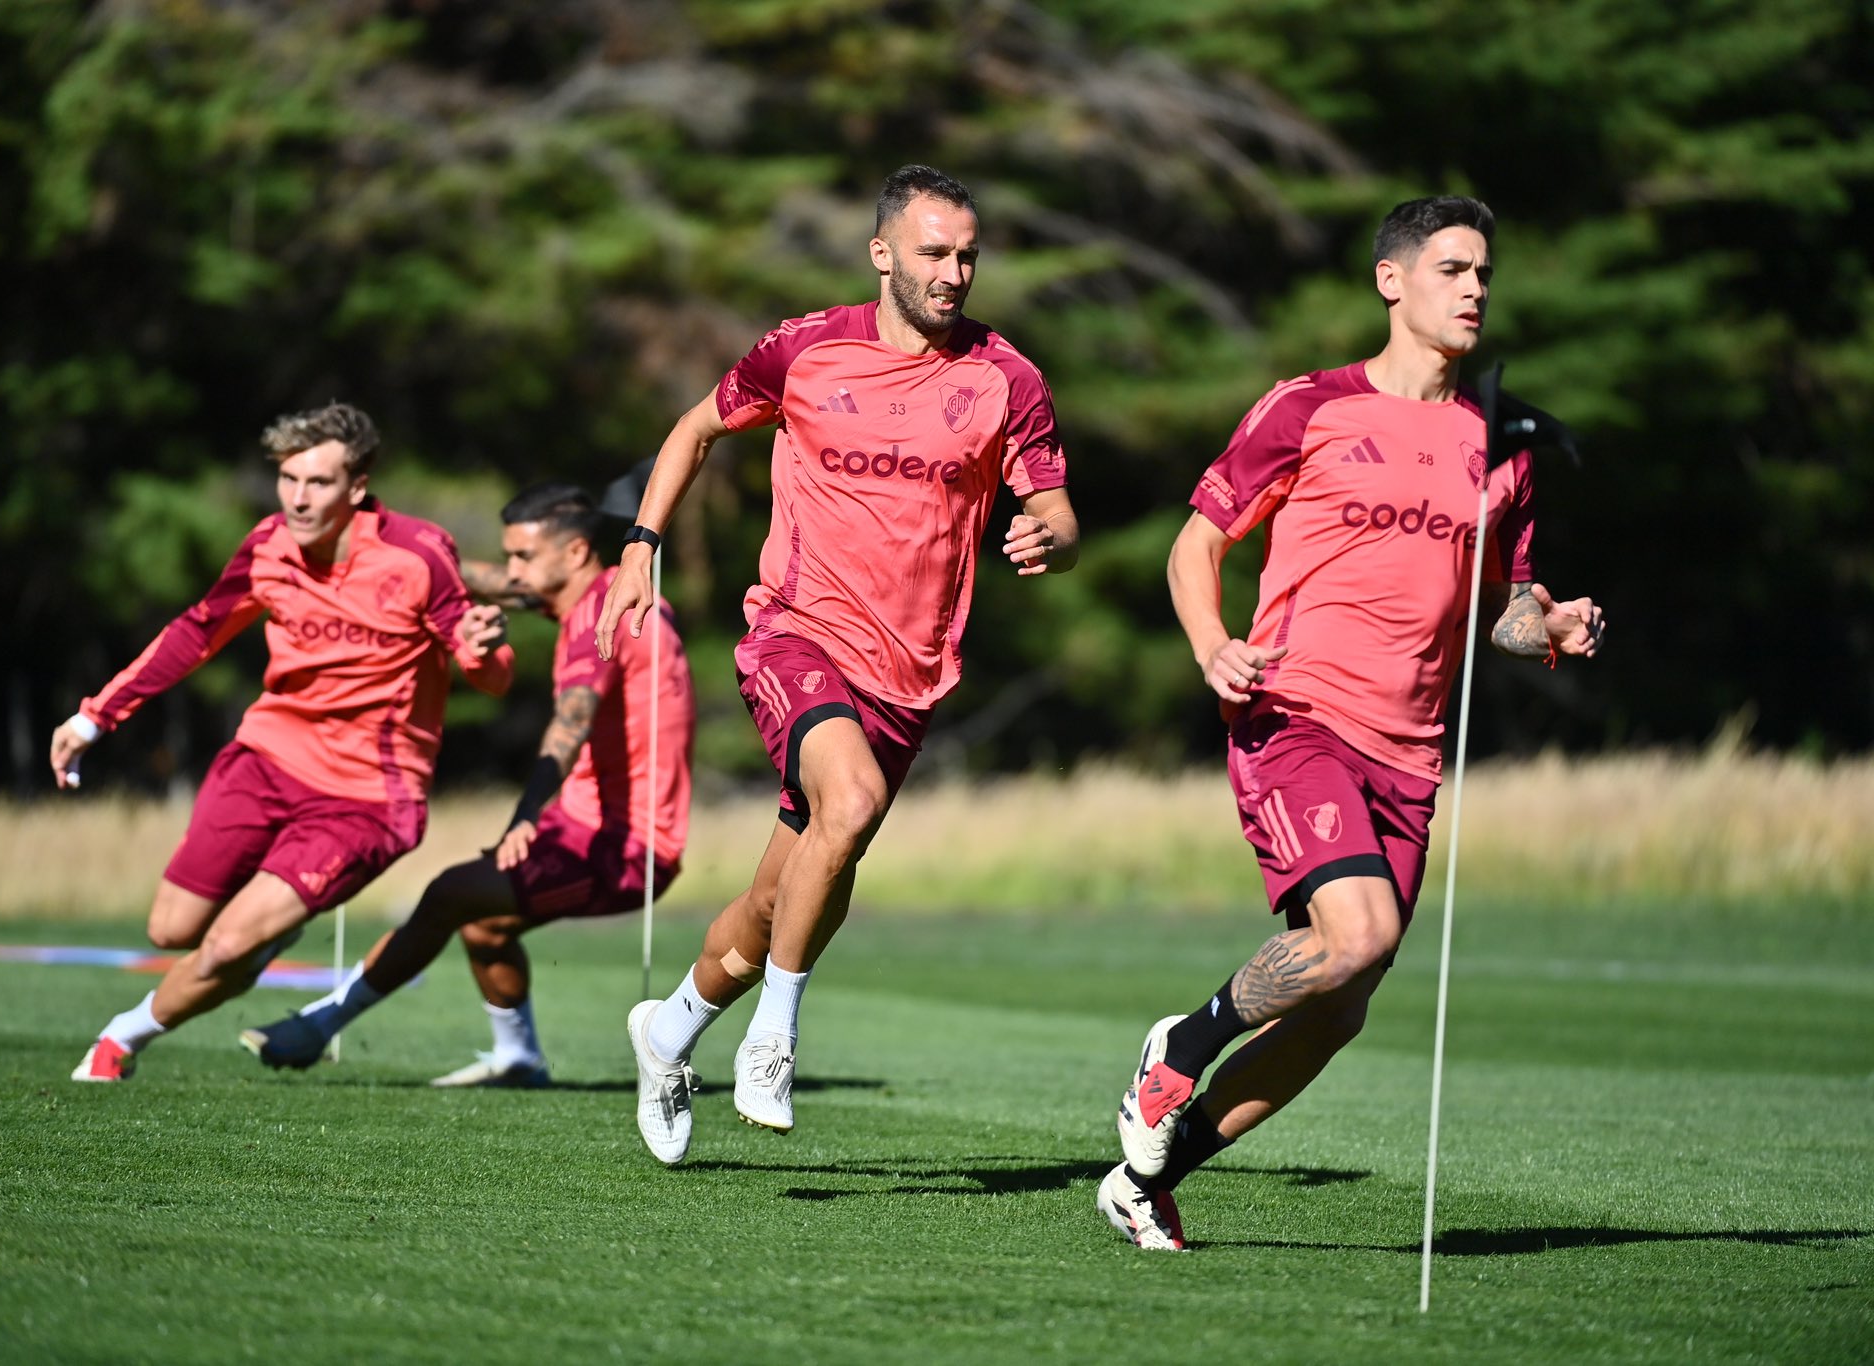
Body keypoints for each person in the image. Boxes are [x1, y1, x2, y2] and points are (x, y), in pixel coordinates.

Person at [1097, 197, 1608, 1250]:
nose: (1474, 291)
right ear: (1392, 280)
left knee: (1339, 1003)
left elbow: (1501, 608)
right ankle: (1180, 1044)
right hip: (1295, 717)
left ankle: (1144, 1179)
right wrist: (1211, 649)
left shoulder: (1502, 447)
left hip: (1408, 753)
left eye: (1483, 274)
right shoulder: (1305, 407)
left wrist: (1545, 621)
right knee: (1357, 934)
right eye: (1453, 269)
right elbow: (1192, 548)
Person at [596, 164, 1081, 1164]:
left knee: (788, 891)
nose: (953, 273)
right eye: (933, 253)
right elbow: (694, 429)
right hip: (796, 632)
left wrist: (1050, 538)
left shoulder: (1005, 378)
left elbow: (1055, 507)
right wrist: (641, 544)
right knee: (848, 803)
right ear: (881, 254)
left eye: (967, 256)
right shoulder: (805, 350)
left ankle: (671, 1028)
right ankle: (772, 1038)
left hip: (909, 676)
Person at [52, 403, 513, 1082]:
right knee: (172, 932)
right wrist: (95, 718)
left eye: (317, 483)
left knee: (227, 946)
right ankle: (266, 932)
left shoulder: (418, 554)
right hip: (266, 759)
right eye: (288, 479)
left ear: (357, 487)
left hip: (366, 797)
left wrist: (483, 654)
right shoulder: (268, 544)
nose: (298, 498)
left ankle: (122, 1037)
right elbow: (196, 632)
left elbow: (490, 674)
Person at [238, 483, 695, 1083]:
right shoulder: (610, 593)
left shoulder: (598, 621)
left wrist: (527, 811)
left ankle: (318, 1027)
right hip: (584, 822)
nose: (511, 571)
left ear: (577, 553)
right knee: (483, 922)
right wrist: (375, 538)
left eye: (524, 557)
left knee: (453, 892)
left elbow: (572, 719)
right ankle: (518, 1059)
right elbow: (471, 579)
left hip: (629, 846)